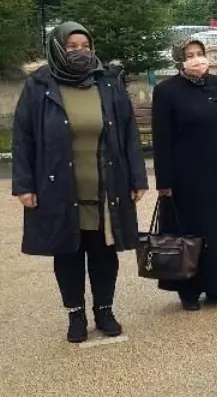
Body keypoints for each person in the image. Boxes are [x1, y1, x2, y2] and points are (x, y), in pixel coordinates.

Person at [11, 22, 148, 342]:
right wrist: (24, 185)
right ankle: (75, 314)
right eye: (71, 46)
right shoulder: (39, 85)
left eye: (84, 45)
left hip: (106, 185)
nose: (79, 51)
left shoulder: (109, 81)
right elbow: (23, 137)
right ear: (58, 47)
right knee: (68, 251)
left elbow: (128, 133)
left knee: (104, 252)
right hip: (58, 186)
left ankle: (104, 310)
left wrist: (137, 178)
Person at [151, 40, 217, 310]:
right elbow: (161, 139)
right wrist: (164, 182)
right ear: (180, 61)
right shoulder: (166, 91)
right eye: (190, 56)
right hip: (188, 175)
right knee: (192, 231)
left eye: (200, 54)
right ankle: (189, 288)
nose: (197, 59)